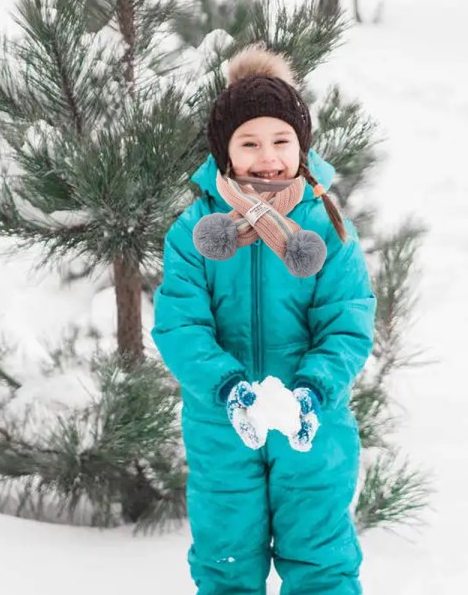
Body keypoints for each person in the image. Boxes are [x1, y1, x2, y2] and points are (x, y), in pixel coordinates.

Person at [151, 44, 376, 595]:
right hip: (223, 426)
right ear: (225, 152)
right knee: (226, 562)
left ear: (302, 147)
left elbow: (348, 321)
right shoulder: (195, 231)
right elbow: (180, 324)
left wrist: (313, 392)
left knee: (321, 559)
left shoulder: (326, 227)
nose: (268, 156)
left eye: (282, 140)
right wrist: (227, 387)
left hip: (313, 427)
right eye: (249, 142)